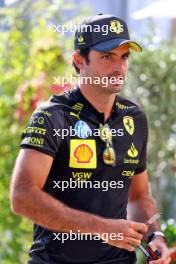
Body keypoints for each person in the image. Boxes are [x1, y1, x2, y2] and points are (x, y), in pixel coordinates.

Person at [10, 14, 171, 264]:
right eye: (107, 57)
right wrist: (102, 228)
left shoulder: (134, 117)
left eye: (124, 56)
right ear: (79, 60)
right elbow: (22, 196)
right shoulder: (52, 116)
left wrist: (155, 235)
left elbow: (137, 196)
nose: (119, 67)